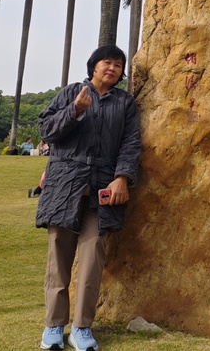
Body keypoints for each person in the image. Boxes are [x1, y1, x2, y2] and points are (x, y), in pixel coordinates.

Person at [35, 46, 140, 351]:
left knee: (93, 257)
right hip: (65, 185)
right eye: (107, 62)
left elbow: (131, 143)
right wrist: (75, 111)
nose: (113, 68)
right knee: (59, 258)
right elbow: (46, 130)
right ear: (94, 66)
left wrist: (123, 177)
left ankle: (81, 328)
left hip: (102, 188)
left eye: (118, 65)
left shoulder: (124, 103)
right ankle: (53, 326)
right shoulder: (71, 93)